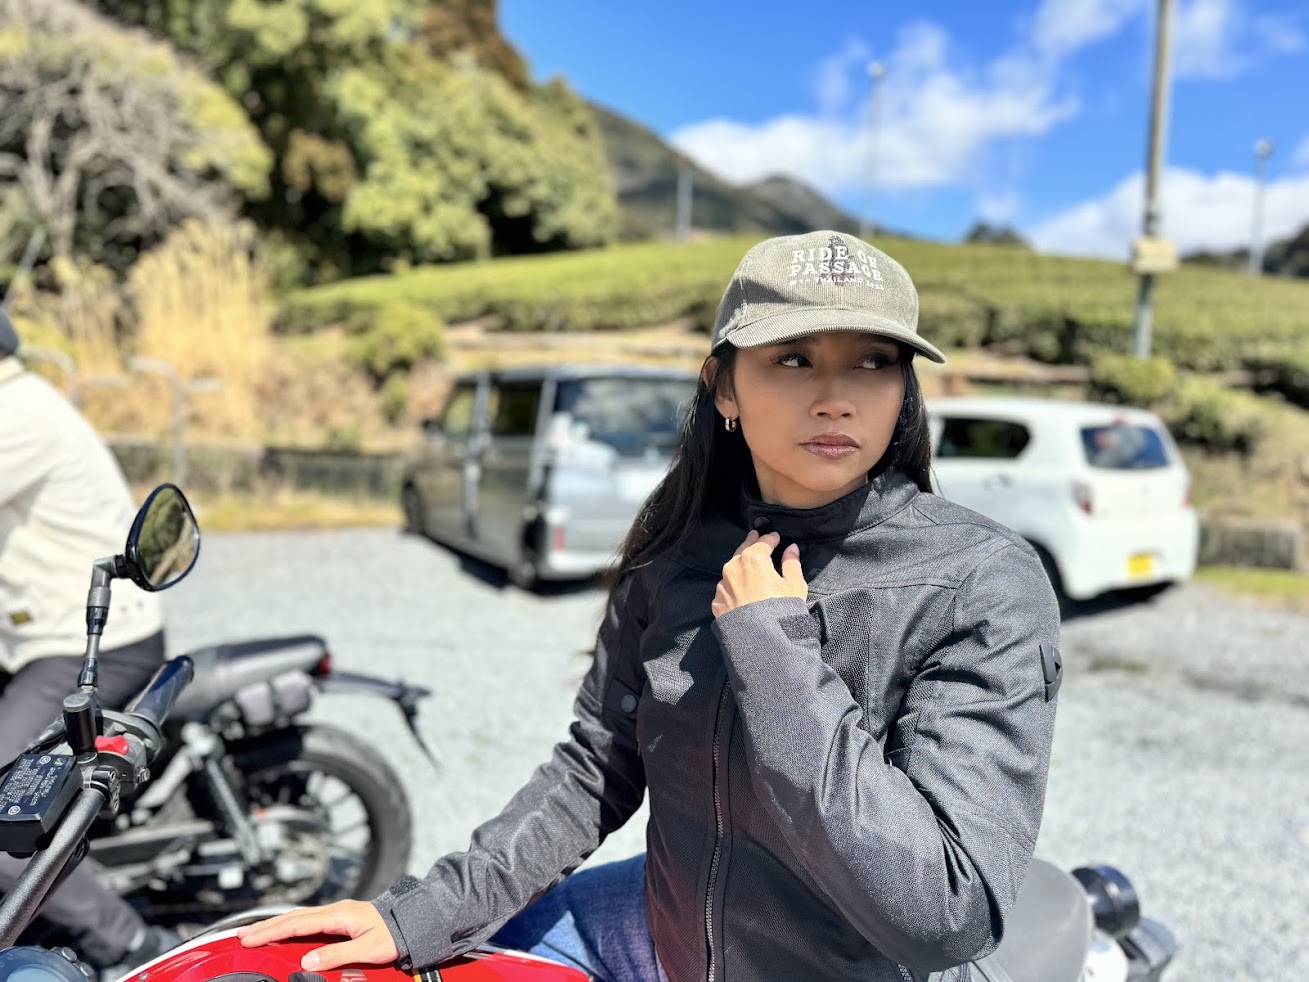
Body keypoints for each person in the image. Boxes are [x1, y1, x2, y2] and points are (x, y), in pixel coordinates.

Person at [238, 231, 1061, 982]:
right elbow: (597, 764)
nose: (835, 397)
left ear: (904, 389)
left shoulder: (978, 580)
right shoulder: (674, 554)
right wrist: (421, 913)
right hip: (659, 938)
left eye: (874, 362)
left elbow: (947, 912)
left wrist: (775, 652)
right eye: (792, 358)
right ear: (722, 386)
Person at [0, 308, 178, 976]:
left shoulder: (16, 415)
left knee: (4, 821)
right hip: (39, 634)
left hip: (91, 642)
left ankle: (133, 947)